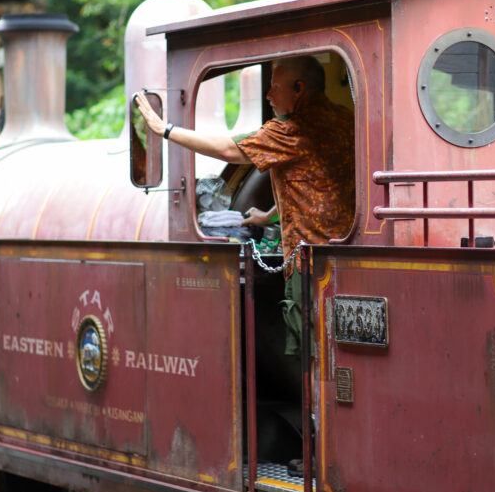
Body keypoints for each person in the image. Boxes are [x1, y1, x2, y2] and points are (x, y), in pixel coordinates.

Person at [135, 55, 355, 355]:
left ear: (299, 88)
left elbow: (228, 149)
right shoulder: (344, 118)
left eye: (275, 86)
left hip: (311, 262)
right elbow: (319, 182)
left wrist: (165, 130)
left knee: (314, 356)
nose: (268, 95)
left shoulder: (291, 130)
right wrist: (269, 216)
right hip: (348, 252)